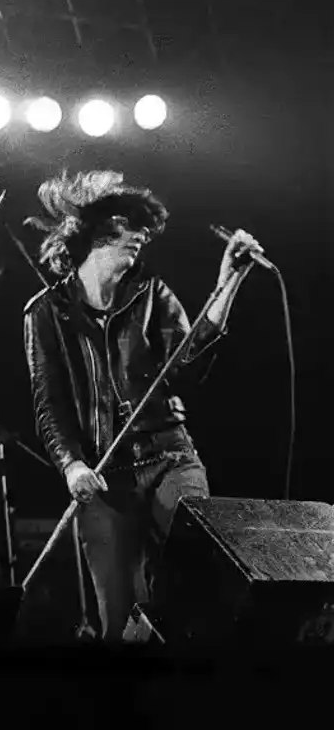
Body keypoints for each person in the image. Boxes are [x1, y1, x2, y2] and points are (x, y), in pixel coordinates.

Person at [21, 170, 264, 641]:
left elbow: (188, 362)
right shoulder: (46, 312)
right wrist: (71, 466)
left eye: (143, 231)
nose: (139, 238)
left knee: (200, 572)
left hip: (171, 455)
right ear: (93, 235)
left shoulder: (151, 293)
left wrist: (228, 282)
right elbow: (49, 405)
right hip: (104, 477)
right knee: (118, 619)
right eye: (127, 228)